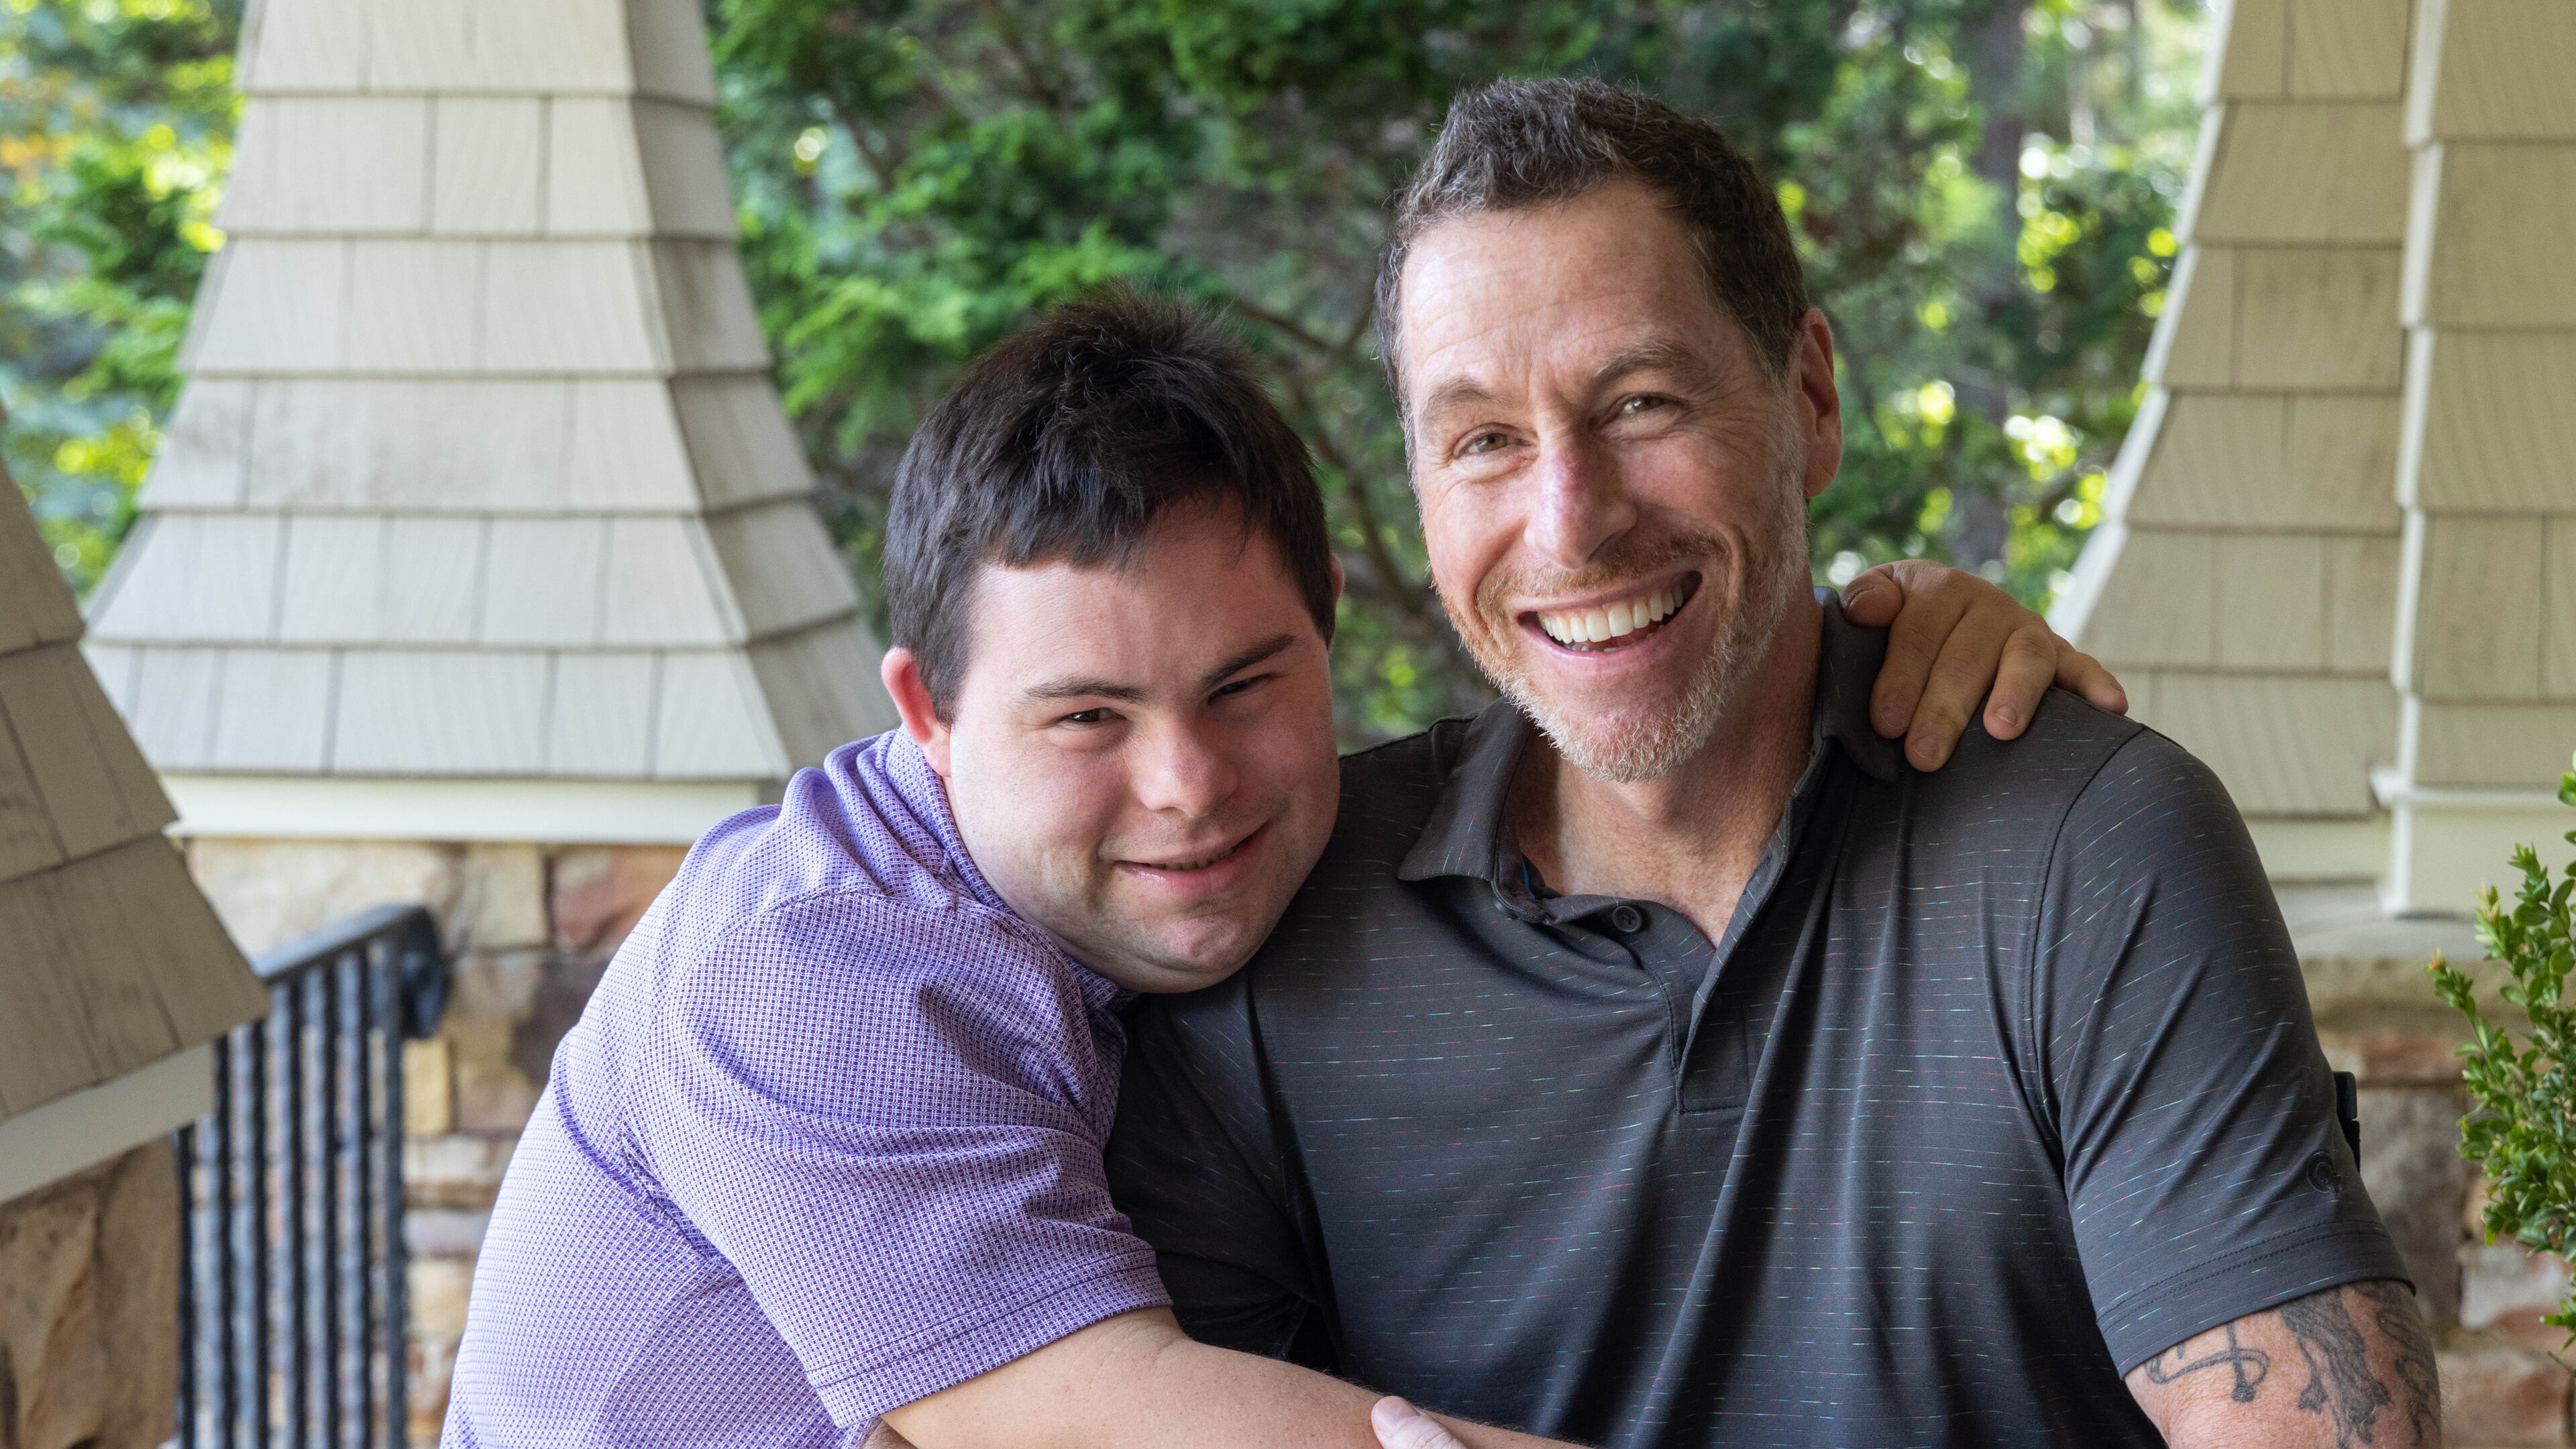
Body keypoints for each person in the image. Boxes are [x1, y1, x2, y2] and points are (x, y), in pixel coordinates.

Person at [440, 285, 2121, 1448]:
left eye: (1245, 685)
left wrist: (1876, 646)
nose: (1187, 789)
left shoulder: (1241, 893)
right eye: (1087, 716)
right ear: (928, 720)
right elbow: (1126, 1427)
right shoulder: (814, 971)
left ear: (1331, 641)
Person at [1104, 76, 2440, 1449]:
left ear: (1809, 400)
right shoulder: (1282, 912)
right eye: (1485, 441)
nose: (1570, 526)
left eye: (1639, 404)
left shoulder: (2083, 849)